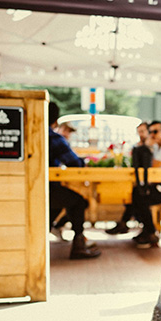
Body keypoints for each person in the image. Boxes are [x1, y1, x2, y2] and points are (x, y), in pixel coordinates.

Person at [105, 120, 161, 248]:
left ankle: (148, 232)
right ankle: (139, 228)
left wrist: (147, 146)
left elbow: (152, 165)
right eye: (150, 132)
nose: (152, 135)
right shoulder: (157, 147)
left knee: (141, 196)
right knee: (137, 192)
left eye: (155, 132)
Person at [48, 102, 101, 259]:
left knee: (61, 202)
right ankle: (78, 246)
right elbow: (74, 163)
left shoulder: (32, 133)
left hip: (34, 187)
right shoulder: (54, 137)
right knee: (78, 202)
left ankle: (48, 233)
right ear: (56, 122)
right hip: (48, 189)